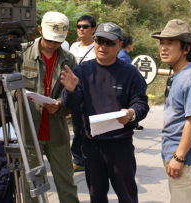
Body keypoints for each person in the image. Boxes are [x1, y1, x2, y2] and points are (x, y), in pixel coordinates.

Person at [61, 22, 149, 203]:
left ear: (119, 44)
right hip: (91, 145)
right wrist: (70, 91)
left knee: (127, 195)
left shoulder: (130, 73)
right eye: (99, 41)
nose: (103, 46)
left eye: (109, 42)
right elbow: (71, 105)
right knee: (97, 196)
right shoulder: (82, 71)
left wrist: (131, 113)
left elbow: (141, 103)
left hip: (120, 145)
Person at [151, 19, 191, 203]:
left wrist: (179, 157)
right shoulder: (179, 73)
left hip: (187, 161)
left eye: (170, 43)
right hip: (179, 157)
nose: (163, 47)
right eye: (162, 42)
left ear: (186, 49)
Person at [19, 11, 79, 203]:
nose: (53, 45)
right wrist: (20, 96)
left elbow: (75, 96)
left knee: (67, 185)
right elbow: (7, 89)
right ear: (39, 30)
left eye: (58, 41)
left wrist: (62, 104)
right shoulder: (21, 54)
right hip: (29, 133)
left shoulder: (69, 60)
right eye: (49, 40)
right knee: (32, 189)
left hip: (57, 133)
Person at [69, 15, 96, 172]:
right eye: (79, 26)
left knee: (91, 128)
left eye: (85, 27)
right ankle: (78, 159)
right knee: (78, 128)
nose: (81, 29)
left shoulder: (97, 47)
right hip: (75, 94)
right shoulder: (73, 47)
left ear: (92, 29)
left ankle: (93, 157)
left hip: (92, 95)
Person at [117, 36, 144, 131]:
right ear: (128, 45)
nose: (133, 46)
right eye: (132, 44)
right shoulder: (123, 56)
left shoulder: (123, 54)